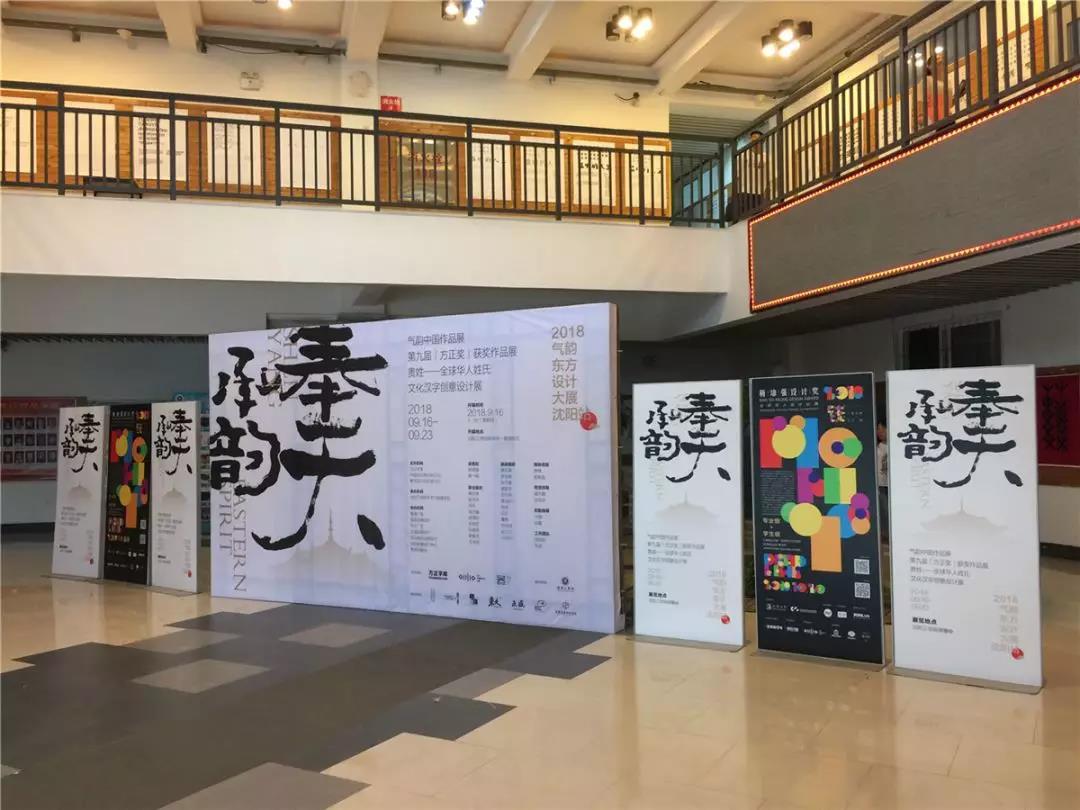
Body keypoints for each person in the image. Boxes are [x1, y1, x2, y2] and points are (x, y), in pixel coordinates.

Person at [876, 421, 889, 542]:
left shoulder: (895, 445)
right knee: (884, 510)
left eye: (882, 429)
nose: (880, 432)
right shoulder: (877, 448)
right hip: (881, 484)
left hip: (893, 484)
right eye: (878, 430)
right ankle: (886, 534)